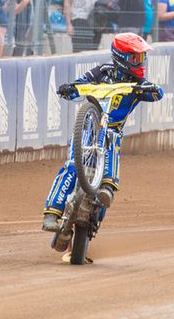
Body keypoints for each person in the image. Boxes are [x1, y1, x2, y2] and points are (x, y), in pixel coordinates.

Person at [42, 32, 164, 232]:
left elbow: (157, 94)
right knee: (71, 166)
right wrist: (70, 88)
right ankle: (51, 213)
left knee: (112, 138)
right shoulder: (102, 72)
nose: (140, 62)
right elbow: (81, 82)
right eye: (135, 57)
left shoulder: (138, 83)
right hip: (89, 128)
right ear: (121, 57)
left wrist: (151, 89)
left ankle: (106, 188)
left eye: (141, 57)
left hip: (112, 132)